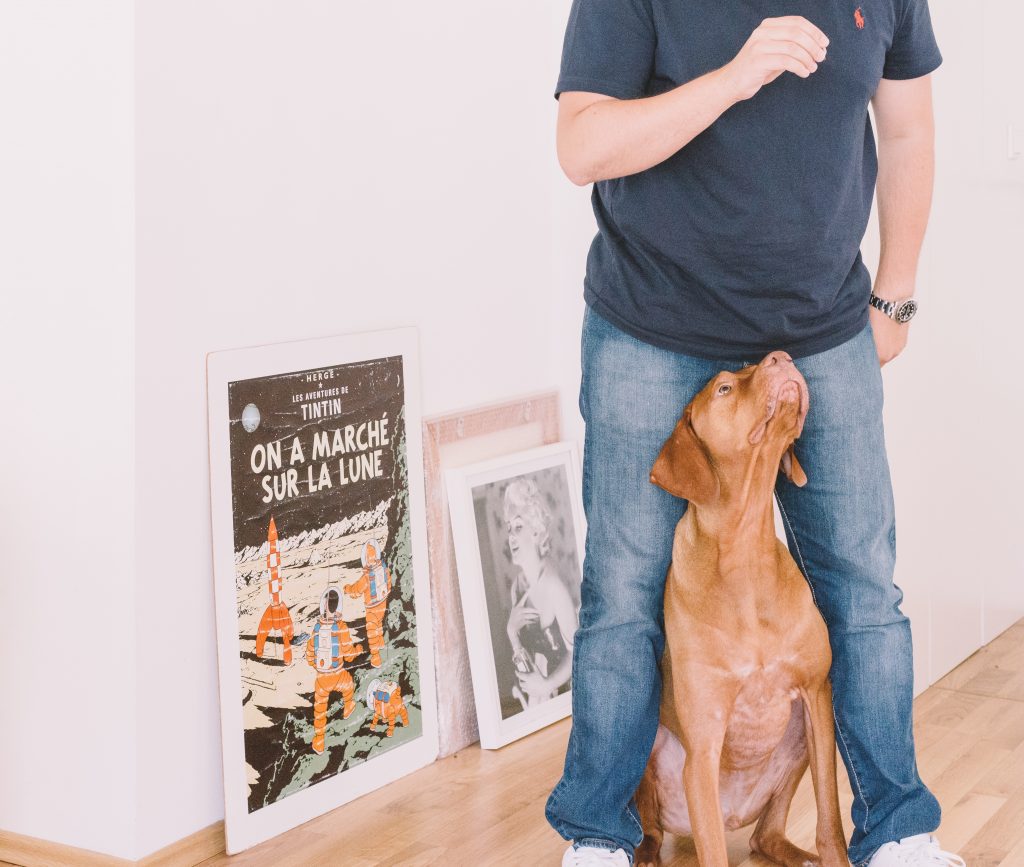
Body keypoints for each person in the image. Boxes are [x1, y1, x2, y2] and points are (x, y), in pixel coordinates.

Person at [545, 2, 962, 866]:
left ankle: (897, 831)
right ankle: (598, 835)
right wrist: (734, 79)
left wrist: (896, 292)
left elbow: (910, 130)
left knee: (863, 589)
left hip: (820, 330)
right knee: (622, 594)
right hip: (650, 327)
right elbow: (581, 145)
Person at [502, 478, 578, 710]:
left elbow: (579, 653)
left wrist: (546, 685)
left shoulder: (554, 586)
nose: (511, 536)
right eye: (508, 529)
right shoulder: (518, 586)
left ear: (536, 532)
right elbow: (524, 655)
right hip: (535, 700)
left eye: (518, 526)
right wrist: (511, 633)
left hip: (566, 699)